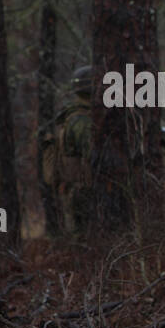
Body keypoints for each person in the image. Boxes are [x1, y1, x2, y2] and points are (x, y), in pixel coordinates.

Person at [40, 65, 94, 232]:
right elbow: (95, 154)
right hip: (83, 194)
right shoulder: (81, 121)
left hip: (78, 192)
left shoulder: (75, 115)